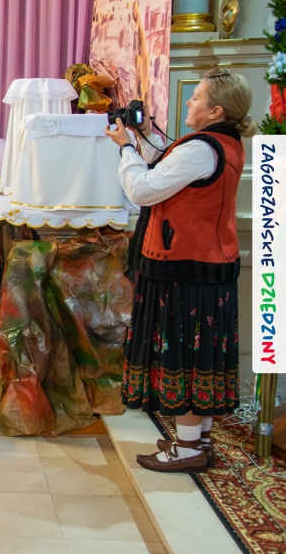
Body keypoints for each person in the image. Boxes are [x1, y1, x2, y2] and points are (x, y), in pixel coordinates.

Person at [105, 69, 257, 474]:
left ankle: (188, 448)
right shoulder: (221, 143)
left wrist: (126, 148)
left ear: (216, 111)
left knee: (185, 354)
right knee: (201, 353)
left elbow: (143, 189)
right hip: (207, 264)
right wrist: (142, 140)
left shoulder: (202, 149)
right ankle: (198, 439)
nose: (189, 101)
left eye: (197, 97)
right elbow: (170, 174)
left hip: (185, 268)